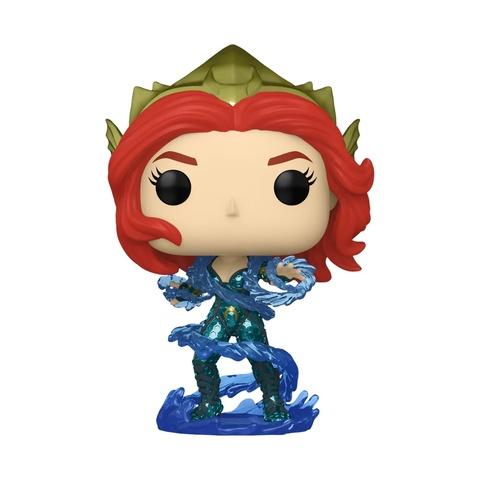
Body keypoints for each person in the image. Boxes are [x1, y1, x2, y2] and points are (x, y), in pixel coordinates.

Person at [107, 45, 374, 429]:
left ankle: (273, 402)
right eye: (174, 186)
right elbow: (195, 288)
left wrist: (288, 274)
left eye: (291, 186)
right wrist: (181, 291)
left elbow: (273, 273)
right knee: (203, 356)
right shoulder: (202, 267)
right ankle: (210, 402)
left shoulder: (256, 265)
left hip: (247, 316)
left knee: (260, 358)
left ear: (333, 193)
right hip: (220, 315)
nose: (231, 209)